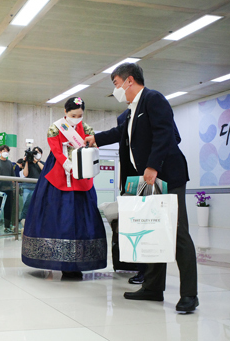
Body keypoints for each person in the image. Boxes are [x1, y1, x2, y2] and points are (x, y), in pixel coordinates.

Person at [86, 62, 198, 313]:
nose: (115, 90)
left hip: (166, 177)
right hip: (145, 182)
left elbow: (165, 133)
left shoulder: (153, 99)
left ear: (129, 80)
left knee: (178, 233)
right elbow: (120, 133)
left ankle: (190, 294)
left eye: (116, 84)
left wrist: (153, 165)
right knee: (154, 231)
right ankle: (153, 287)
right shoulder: (129, 112)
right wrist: (96, 138)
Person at [22, 97, 107, 280]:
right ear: (65, 113)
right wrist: (66, 163)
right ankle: (52, 259)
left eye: (80, 115)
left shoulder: (88, 130)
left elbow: (93, 149)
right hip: (58, 175)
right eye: (73, 115)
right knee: (56, 216)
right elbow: (56, 150)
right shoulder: (55, 128)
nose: (77, 118)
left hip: (81, 176)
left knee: (80, 217)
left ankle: (77, 262)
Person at [0, 145, 15, 232]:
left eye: (7, 151)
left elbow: (13, 176)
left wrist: (13, 187)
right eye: (3, 151)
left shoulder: (9, 163)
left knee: (8, 208)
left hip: (9, 188)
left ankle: (7, 226)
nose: (5, 152)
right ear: (0, 152)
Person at [20, 146, 43, 221]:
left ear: (41, 154)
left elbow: (44, 170)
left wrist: (37, 161)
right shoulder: (29, 163)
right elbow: (25, 174)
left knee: (38, 207)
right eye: (35, 152)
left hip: (39, 188)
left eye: (38, 152)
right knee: (26, 207)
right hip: (28, 188)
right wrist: (26, 161)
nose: (36, 154)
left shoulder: (42, 163)